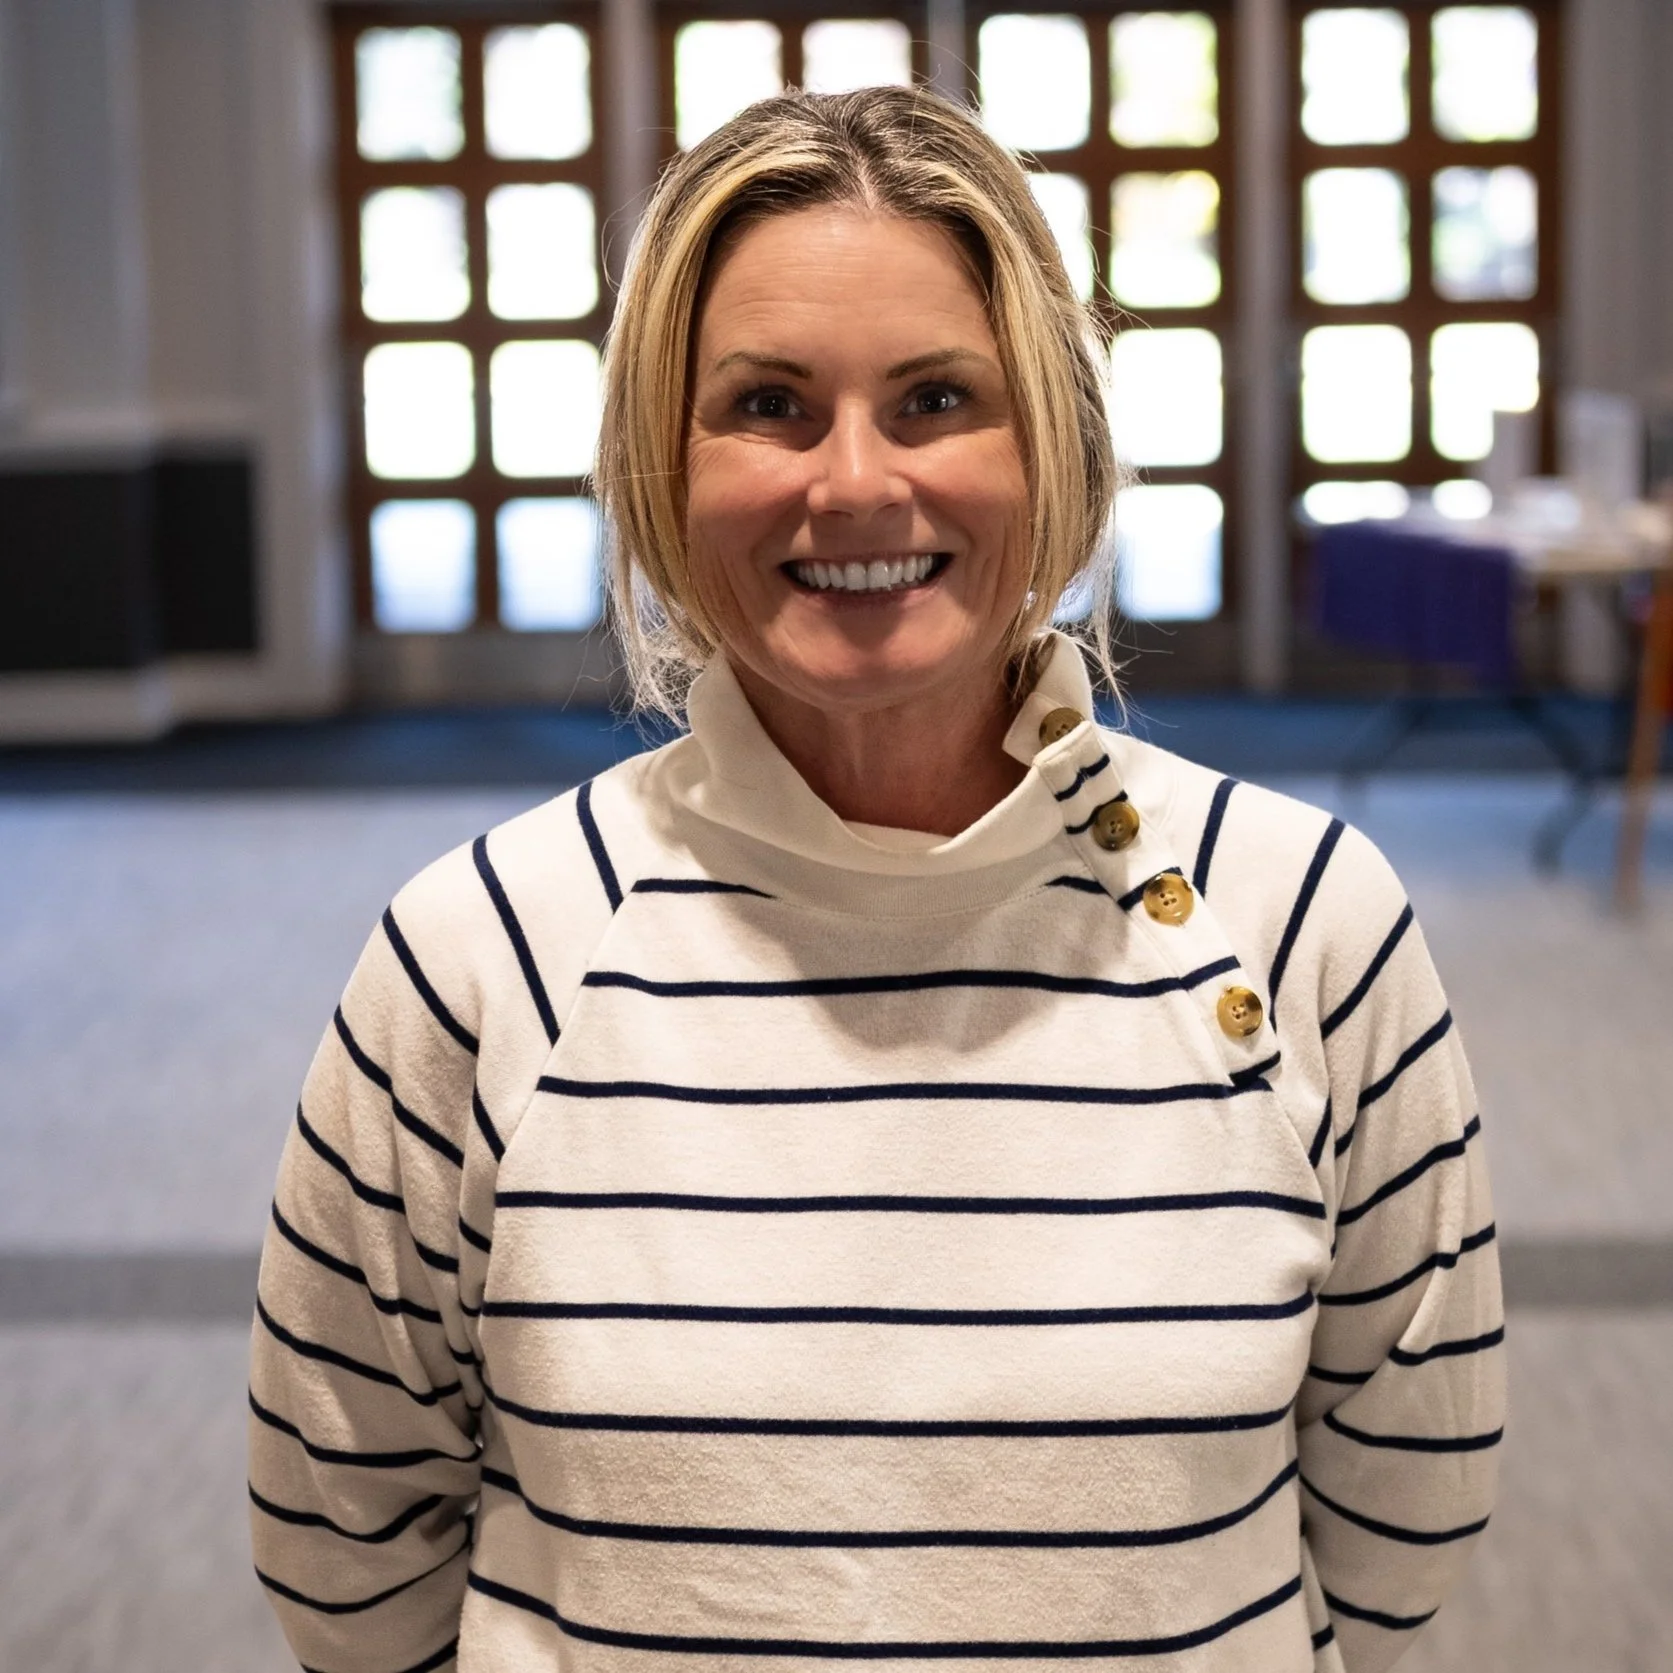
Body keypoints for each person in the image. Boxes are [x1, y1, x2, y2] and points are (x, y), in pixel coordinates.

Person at [249, 86, 1502, 1673]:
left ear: (1057, 446)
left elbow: (1406, 1516)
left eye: (933, 399)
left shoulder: (1313, 921)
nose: (853, 484)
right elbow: (343, 1539)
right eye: (768, 404)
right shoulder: (476, 958)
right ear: (661, 462)